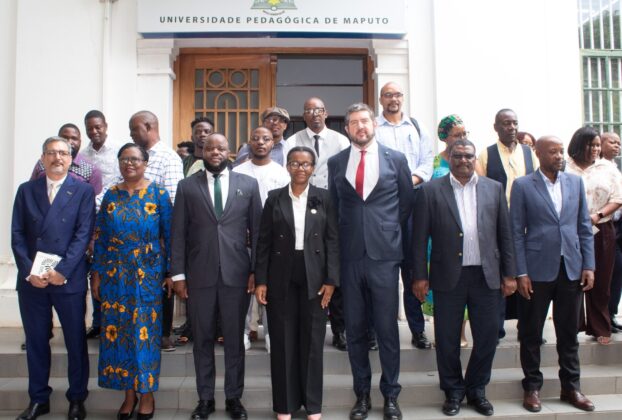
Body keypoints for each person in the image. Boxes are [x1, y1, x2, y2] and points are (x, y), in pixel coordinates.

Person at [412, 139, 516, 417]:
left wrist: (510, 274)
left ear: (474, 159)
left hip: (486, 276)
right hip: (448, 277)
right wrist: (419, 276)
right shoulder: (430, 190)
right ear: (450, 158)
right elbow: (419, 238)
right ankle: (453, 392)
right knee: (447, 339)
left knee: (488, 336)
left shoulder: (493, 188)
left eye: (468, 156)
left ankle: (477, 389)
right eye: (457, 156)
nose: (463, 161)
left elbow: (505, 235)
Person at [328, 103, 411, 420]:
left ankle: (391, 395)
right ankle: (361, 395)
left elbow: (406, 204)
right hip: (350, 257)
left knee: (387, 330)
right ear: (347, 128)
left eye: (364, 120)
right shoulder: (336, 162)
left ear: (374, 124)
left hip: (384, 257)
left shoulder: (396, 159)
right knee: (355, 330)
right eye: (354, 122)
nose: (360, 126)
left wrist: (385, 230)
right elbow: (335, 208)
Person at [170, 133, 262, 420]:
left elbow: (258, 232)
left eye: (220, 148)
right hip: (199, 276)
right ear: (202, 151)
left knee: (235, 339)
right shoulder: (187, 186)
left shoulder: (248, 184)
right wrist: (178, 275)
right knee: (202, 339)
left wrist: (256, 271)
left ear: (229, 151)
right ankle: (205, 399)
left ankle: (234, 398)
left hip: (237, 275)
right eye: (210, 148)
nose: (215, 152)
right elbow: (178, 234)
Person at [510, 135, 596, 413]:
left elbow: (584, 226)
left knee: (568, 333)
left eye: (561, 151)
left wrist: (589, 265)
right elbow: (516, 232)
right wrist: (520, 272)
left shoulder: (575, 182)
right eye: (553, 152)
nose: (559, 156)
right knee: (532, 332)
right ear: (538, 153)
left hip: (571, 268)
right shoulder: (523, 185)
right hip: (536, 270)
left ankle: (571, 387)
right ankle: (532, 387)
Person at [12, 136, 95, 420]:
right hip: (32, 281)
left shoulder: (82, 191)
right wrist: (29, 272)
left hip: (67, 279)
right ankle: (38, 399)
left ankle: (77, 398)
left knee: (75, 340)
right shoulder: (26, 190)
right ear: (42, 158)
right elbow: (17, 235)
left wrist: (62, 271)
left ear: (71, 159)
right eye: (51, 153)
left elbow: (83, 234)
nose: (57, 158)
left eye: (63, 153)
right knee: (36, 341)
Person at [255, 146, 339, 420]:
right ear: (287, 166)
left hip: (315, 276)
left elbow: (333, 240)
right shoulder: (274, 198)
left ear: (313, 168)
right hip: (281, 275)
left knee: (313, 341)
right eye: (294, 163)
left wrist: (331, 280)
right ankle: (285, 405)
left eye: (305, 164)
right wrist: (261, 280)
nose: (300, 168)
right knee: (282, 341)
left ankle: (313, 405)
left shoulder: (324, 198)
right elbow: (263, 242)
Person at [90, 143, 172, 420]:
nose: (129, 164)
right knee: (120, 335)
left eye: (135, 159)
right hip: (114, 277)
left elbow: (170, 236)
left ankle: (146, 393)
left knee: (144, 334)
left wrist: (170, 273)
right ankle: (128, 393)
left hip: (147, 275)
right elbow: (101, 237)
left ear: (145, 163)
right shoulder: (111, 195)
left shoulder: (159, 194)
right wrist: (96, 274)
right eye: (124, 159)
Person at [286, 96, 350, 351]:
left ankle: (339, 329)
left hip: (333, 207)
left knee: (334, 265)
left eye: (318, 110)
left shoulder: (341, 140)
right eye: (309, 110)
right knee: (310, 265)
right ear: (303, 115)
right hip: (302, 208)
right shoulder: (293, 141)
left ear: (326, 113)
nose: (314, 114)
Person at [374, 81, 434, 350]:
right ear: (381, 99)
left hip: (414, 202)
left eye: (397, 94)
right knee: (382, 273)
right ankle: (377, 331)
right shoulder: (373, 128)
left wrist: (408, 182)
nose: (393, 99)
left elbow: (427, 161)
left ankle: (417, 330)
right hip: (383, 205)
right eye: (388, 95)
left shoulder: (416, 127)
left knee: (413, 269)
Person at [475, 108, 538, 340]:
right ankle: (497, 328)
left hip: (526, 225)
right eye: (505, 123)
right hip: (497, 225)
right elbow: (481, 189)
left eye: (514, 123)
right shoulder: (486, 154)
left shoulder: (530, 153)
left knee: (526, 274)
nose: (511, 127)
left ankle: (527, 327)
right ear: (496, 127)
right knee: (500, 275)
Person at [129, 110, 184, 352]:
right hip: (133, 236)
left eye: (134, 129)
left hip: (158, 236)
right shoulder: (134, 156)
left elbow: (173, 199)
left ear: (149, 127)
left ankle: (163, 334)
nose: (131, 134)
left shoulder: (167, 158)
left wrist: (165, 237)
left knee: (162, 284)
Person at [233, 127, 290, 352]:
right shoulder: (237, 171)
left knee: (271, 286)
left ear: (272, 143)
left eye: (265, 139)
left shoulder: (281, 173)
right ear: (249, 142)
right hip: (244, 239)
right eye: (255, 138)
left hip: (273, 240)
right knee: (244, 287)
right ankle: (243, 331)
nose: (260, 142)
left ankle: (270, 333)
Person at [565, 127, 622, 345]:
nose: (596, 149)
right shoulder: (565, 167)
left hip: (602, 229)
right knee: (571, 279)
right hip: (570, 231)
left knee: (602, 279)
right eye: (591, 145)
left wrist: (598, 215)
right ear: (579, 145)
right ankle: (572, 326)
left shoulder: (608, 168)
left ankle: (600, 327)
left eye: (598, 145)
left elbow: (618, 198)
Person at [426, 115, 470, 348]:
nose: (461, 138)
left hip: (464, 231)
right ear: (444, 137)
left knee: (463, 283)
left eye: (464, 134)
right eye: (456, 135)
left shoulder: (470, 160)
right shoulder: (434, 162)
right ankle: (440, 334)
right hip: (438, 234)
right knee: (439, 287)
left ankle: (461, 333)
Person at [82, 110, 121, 340]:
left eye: (98, 126)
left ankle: (111, 321)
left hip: (113, 215)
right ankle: (97, 322)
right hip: (91, 217)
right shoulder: (83, 155)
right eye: (90, 128)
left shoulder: (118, 149)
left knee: (110, 267)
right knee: (95, 266)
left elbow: (120, 180)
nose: (94, 131)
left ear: (105, 126)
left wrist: (99, 201)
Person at [31, 123, 103, 199]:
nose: (69, 142)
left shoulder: (92, 170)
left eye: (74, 138)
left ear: (80, 142)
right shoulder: (43, 162)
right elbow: (31, 190)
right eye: (64, 138)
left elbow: (92, 201)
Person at [600, 132, 622, 333]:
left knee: (618, 272)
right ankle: (603, 316)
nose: (617, 146)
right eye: (612, 142)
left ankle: (612, 313)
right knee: (608, 271)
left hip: (619, 225)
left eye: (619, 143)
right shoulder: (596, 167)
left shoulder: (618, 166)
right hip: (603, 224)